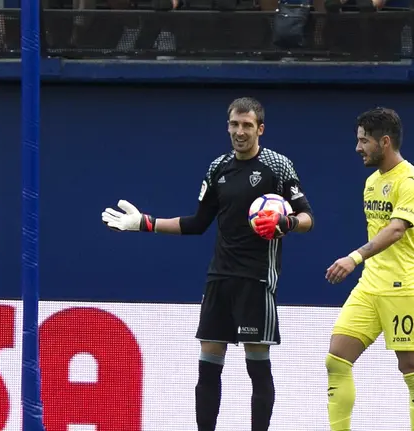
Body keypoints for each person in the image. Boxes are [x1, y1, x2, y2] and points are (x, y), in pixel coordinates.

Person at [101, 97, 314, 431]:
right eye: (234, 124)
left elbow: (307, 218)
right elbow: (198, 223)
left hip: (256, 280)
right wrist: (145, 222)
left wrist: (286, 223)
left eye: (247, 125)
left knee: (257, 368)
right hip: (219, 278)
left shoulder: (278, 166)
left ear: (260, 129)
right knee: (208, 367)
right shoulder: (219, 168)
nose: (240, 132)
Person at [324, 107, 414, 431]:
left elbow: (397, 228)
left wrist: (354, 257)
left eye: (363, 141)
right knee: (336, 359)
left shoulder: (413, 180)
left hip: (405, 286)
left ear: (384, 142)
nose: (358, 148)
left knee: (411, 370)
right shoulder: (372, 182)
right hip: (370, 285)